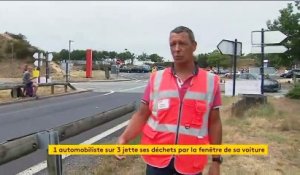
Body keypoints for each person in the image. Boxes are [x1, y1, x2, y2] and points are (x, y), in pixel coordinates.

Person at [117, 26, 222, 175]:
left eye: (182, 43)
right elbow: (142, 114)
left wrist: (216, 161)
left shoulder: (211, 82)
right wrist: (124, 138)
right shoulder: (156, 78)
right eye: (173, 44)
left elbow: (214, 123)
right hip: (157, 160)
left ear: (194, 46)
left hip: (190, 161)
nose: (177, 49)